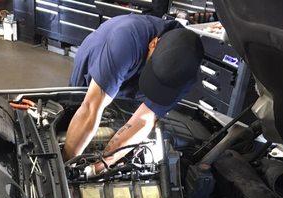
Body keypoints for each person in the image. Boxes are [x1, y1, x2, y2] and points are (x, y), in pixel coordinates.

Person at [63, 14, 203, 173]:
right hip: (99, 60)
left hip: (134, 82)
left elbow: (143, 120)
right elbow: (90, 109)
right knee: (80, 109)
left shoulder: (184, 72)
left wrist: (100, 167)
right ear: (153, 44)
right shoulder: (126, 40)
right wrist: (66, 168)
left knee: (124, 119)